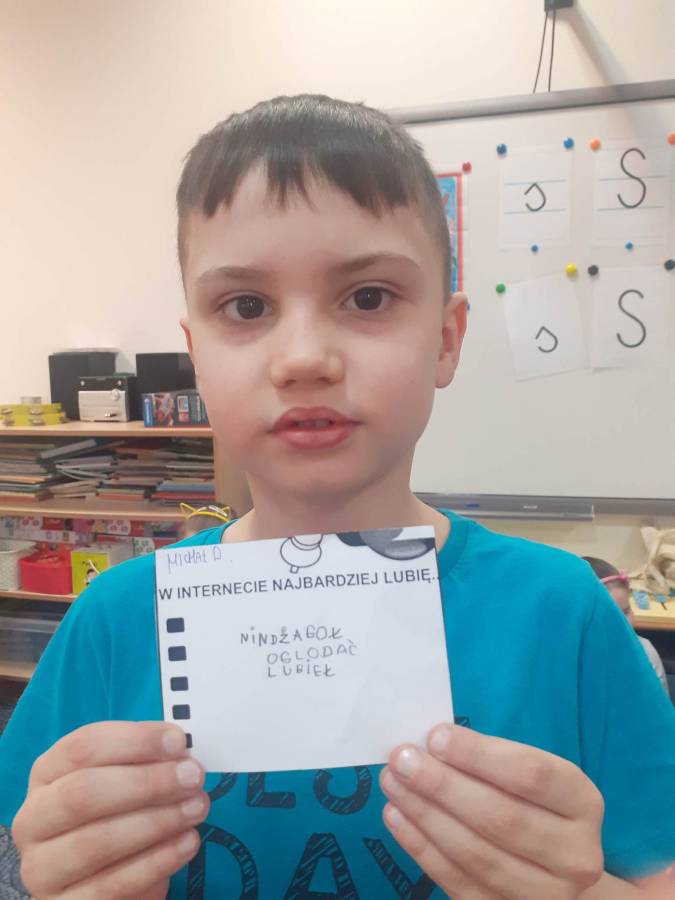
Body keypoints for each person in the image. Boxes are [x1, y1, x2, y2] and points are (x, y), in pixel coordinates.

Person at [1, 95, 674, 899]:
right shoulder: (112, 621)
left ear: (445, 339)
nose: (303, 358)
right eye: (245, 307)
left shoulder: (561, 613)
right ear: (196, 357)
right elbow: (20, 855)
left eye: (367, 297)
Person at [583, 556, 670, 696]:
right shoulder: (565, 661)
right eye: (609, 617)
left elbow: (659, 706)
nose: (624, 625)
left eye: (626, 611)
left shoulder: (644, 653)